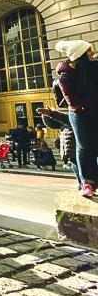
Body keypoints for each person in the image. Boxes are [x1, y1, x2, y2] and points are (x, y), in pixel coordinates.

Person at [55, 39, 98, 197]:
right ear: (81, 56)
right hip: (80, 113)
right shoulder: (65, 75)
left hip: (95, 111)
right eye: (89, 51)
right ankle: (86, 182)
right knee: (84, 146)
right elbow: (72, 101)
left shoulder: (94, 67)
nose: (92, 53)